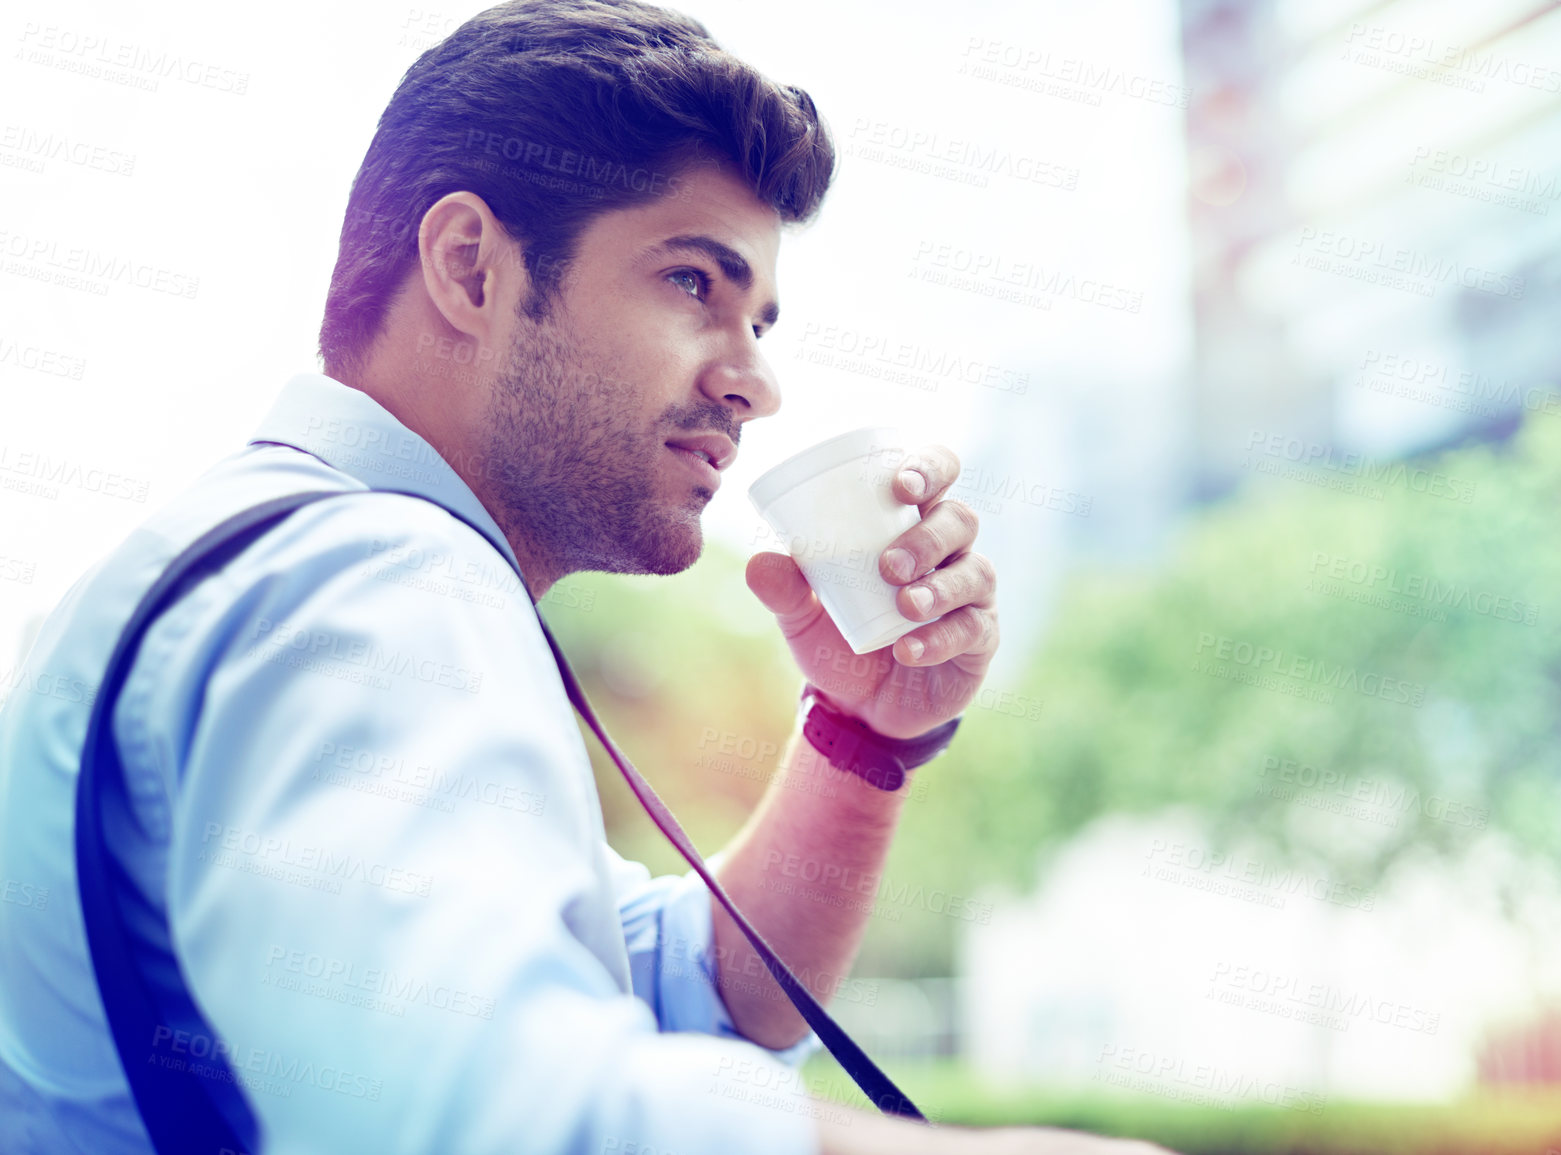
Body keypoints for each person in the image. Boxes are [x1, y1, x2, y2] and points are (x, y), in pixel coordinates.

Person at [0, 1, 1166, 1152]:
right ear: (470, 268)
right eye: (693, 284)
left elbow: (686, 990)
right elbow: (474, 1114)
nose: (755, 382)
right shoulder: (376, 580)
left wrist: (859, 739)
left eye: (760, 318)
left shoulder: (263, 559)